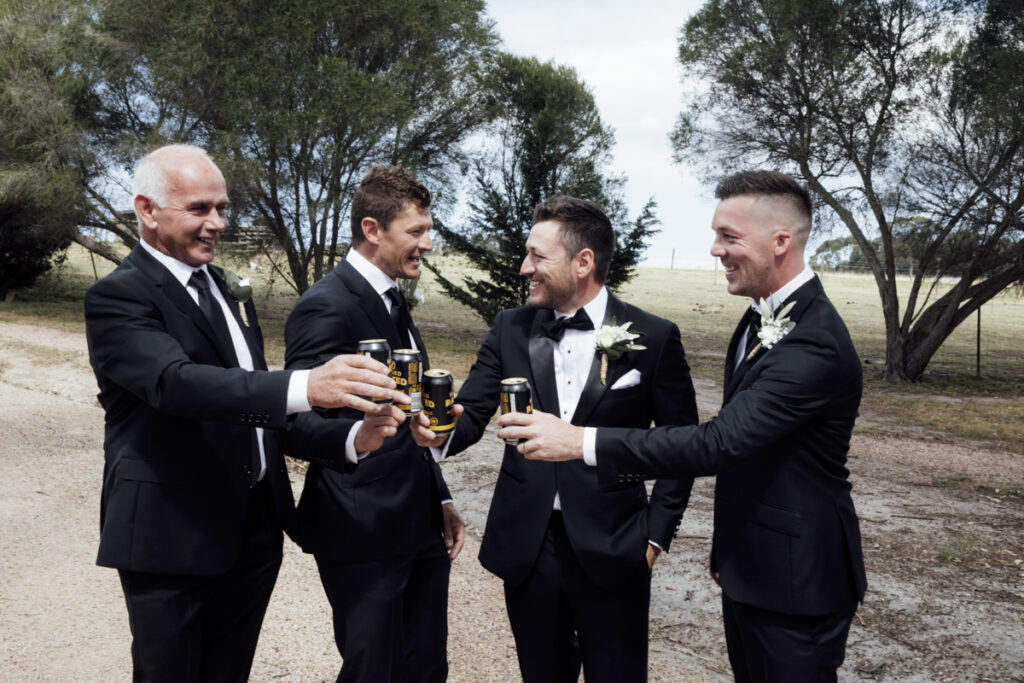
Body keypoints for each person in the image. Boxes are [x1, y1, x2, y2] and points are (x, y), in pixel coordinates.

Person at [503, 171, 867, 682]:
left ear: (781, 241)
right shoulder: (758, 319)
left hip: (798, 577)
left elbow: (719, 441)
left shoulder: (815, 340)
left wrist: (578, 441)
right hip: (754, 567)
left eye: (729, 236)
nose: (716, 250)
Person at [84, 144, 403, 682]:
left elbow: (254, 406)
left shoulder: (229, 289)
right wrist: (308, 385)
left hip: (253, 529)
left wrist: (354, 439)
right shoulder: (118, 297)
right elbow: (175, 384)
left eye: (223, 208)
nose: (216, 223)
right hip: (172, 534)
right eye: (200, 209)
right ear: (146, 209)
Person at [411, 195, 698, 682]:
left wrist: (654, 537)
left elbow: (682, 442)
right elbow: (473, 413)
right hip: (529, 545)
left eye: (538, 256)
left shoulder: (653, 336)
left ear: (584, 262)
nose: (525, 268)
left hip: (616, 544)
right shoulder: (509, 328)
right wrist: (435, 433)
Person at [283, 166, 465, 682]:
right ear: (371, 230)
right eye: (416, 232)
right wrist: (354, 439)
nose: (427, 244)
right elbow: (292, 424)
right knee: (373, 673)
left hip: (419, 523)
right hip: (360, 528)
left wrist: (442, 498)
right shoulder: (325, 305)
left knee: (427, 669)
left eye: (429, 231)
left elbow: (407, 416)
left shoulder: (392, 298)